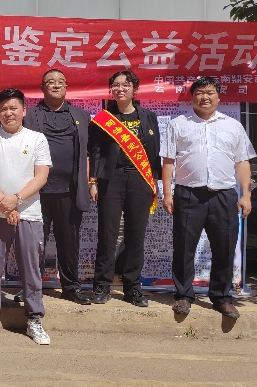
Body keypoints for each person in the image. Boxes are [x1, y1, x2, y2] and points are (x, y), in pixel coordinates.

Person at [161, 76, 255, 319]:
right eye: (200, 93)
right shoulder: (178, 124)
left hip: (224, 195)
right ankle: (183, 295)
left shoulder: (233, 125)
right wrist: (168, 194)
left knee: (224, 247)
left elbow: (242, 162)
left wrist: (246, 194)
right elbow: (168, 161)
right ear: (192, 97)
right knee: (184, 247)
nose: (205, 97)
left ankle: (222, 297)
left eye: (210, 92)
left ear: (218, 97)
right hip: (188, 194)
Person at [0, 88, 52, 345]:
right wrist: (4, 204)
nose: (8, 113)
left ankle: (34, 319)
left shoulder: (37, 139)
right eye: (3, 108)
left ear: (24, 111)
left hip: (29, 213)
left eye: (13, 108)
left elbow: (41, 176)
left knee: (31, 268)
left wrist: (16, 200)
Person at [89, 70, 161, 307]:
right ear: (111, 90)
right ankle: (102, 285)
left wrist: (155, 182)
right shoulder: (103, 119)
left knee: (136, 235)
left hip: (140, 179)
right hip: (111, 178)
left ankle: (133, 287)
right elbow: (95, 150)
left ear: (135, 89)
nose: (120, 89)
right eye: (116, 85)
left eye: (126, 85)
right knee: (107, 234)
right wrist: (93, 181)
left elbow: (154, 151)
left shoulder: (148, 117)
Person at [23, 69, 92, 305]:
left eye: (60, 82)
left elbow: (89, 153)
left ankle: (71, 287)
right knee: (34, 243)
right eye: (50, 82)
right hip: (36, 191)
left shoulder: (81, 115)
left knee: (69, 243)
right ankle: (31, 288)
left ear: (66, 87)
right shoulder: (29, 115)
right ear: (42, 88)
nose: (55, 85)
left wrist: (91, 182)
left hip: (70, 191)